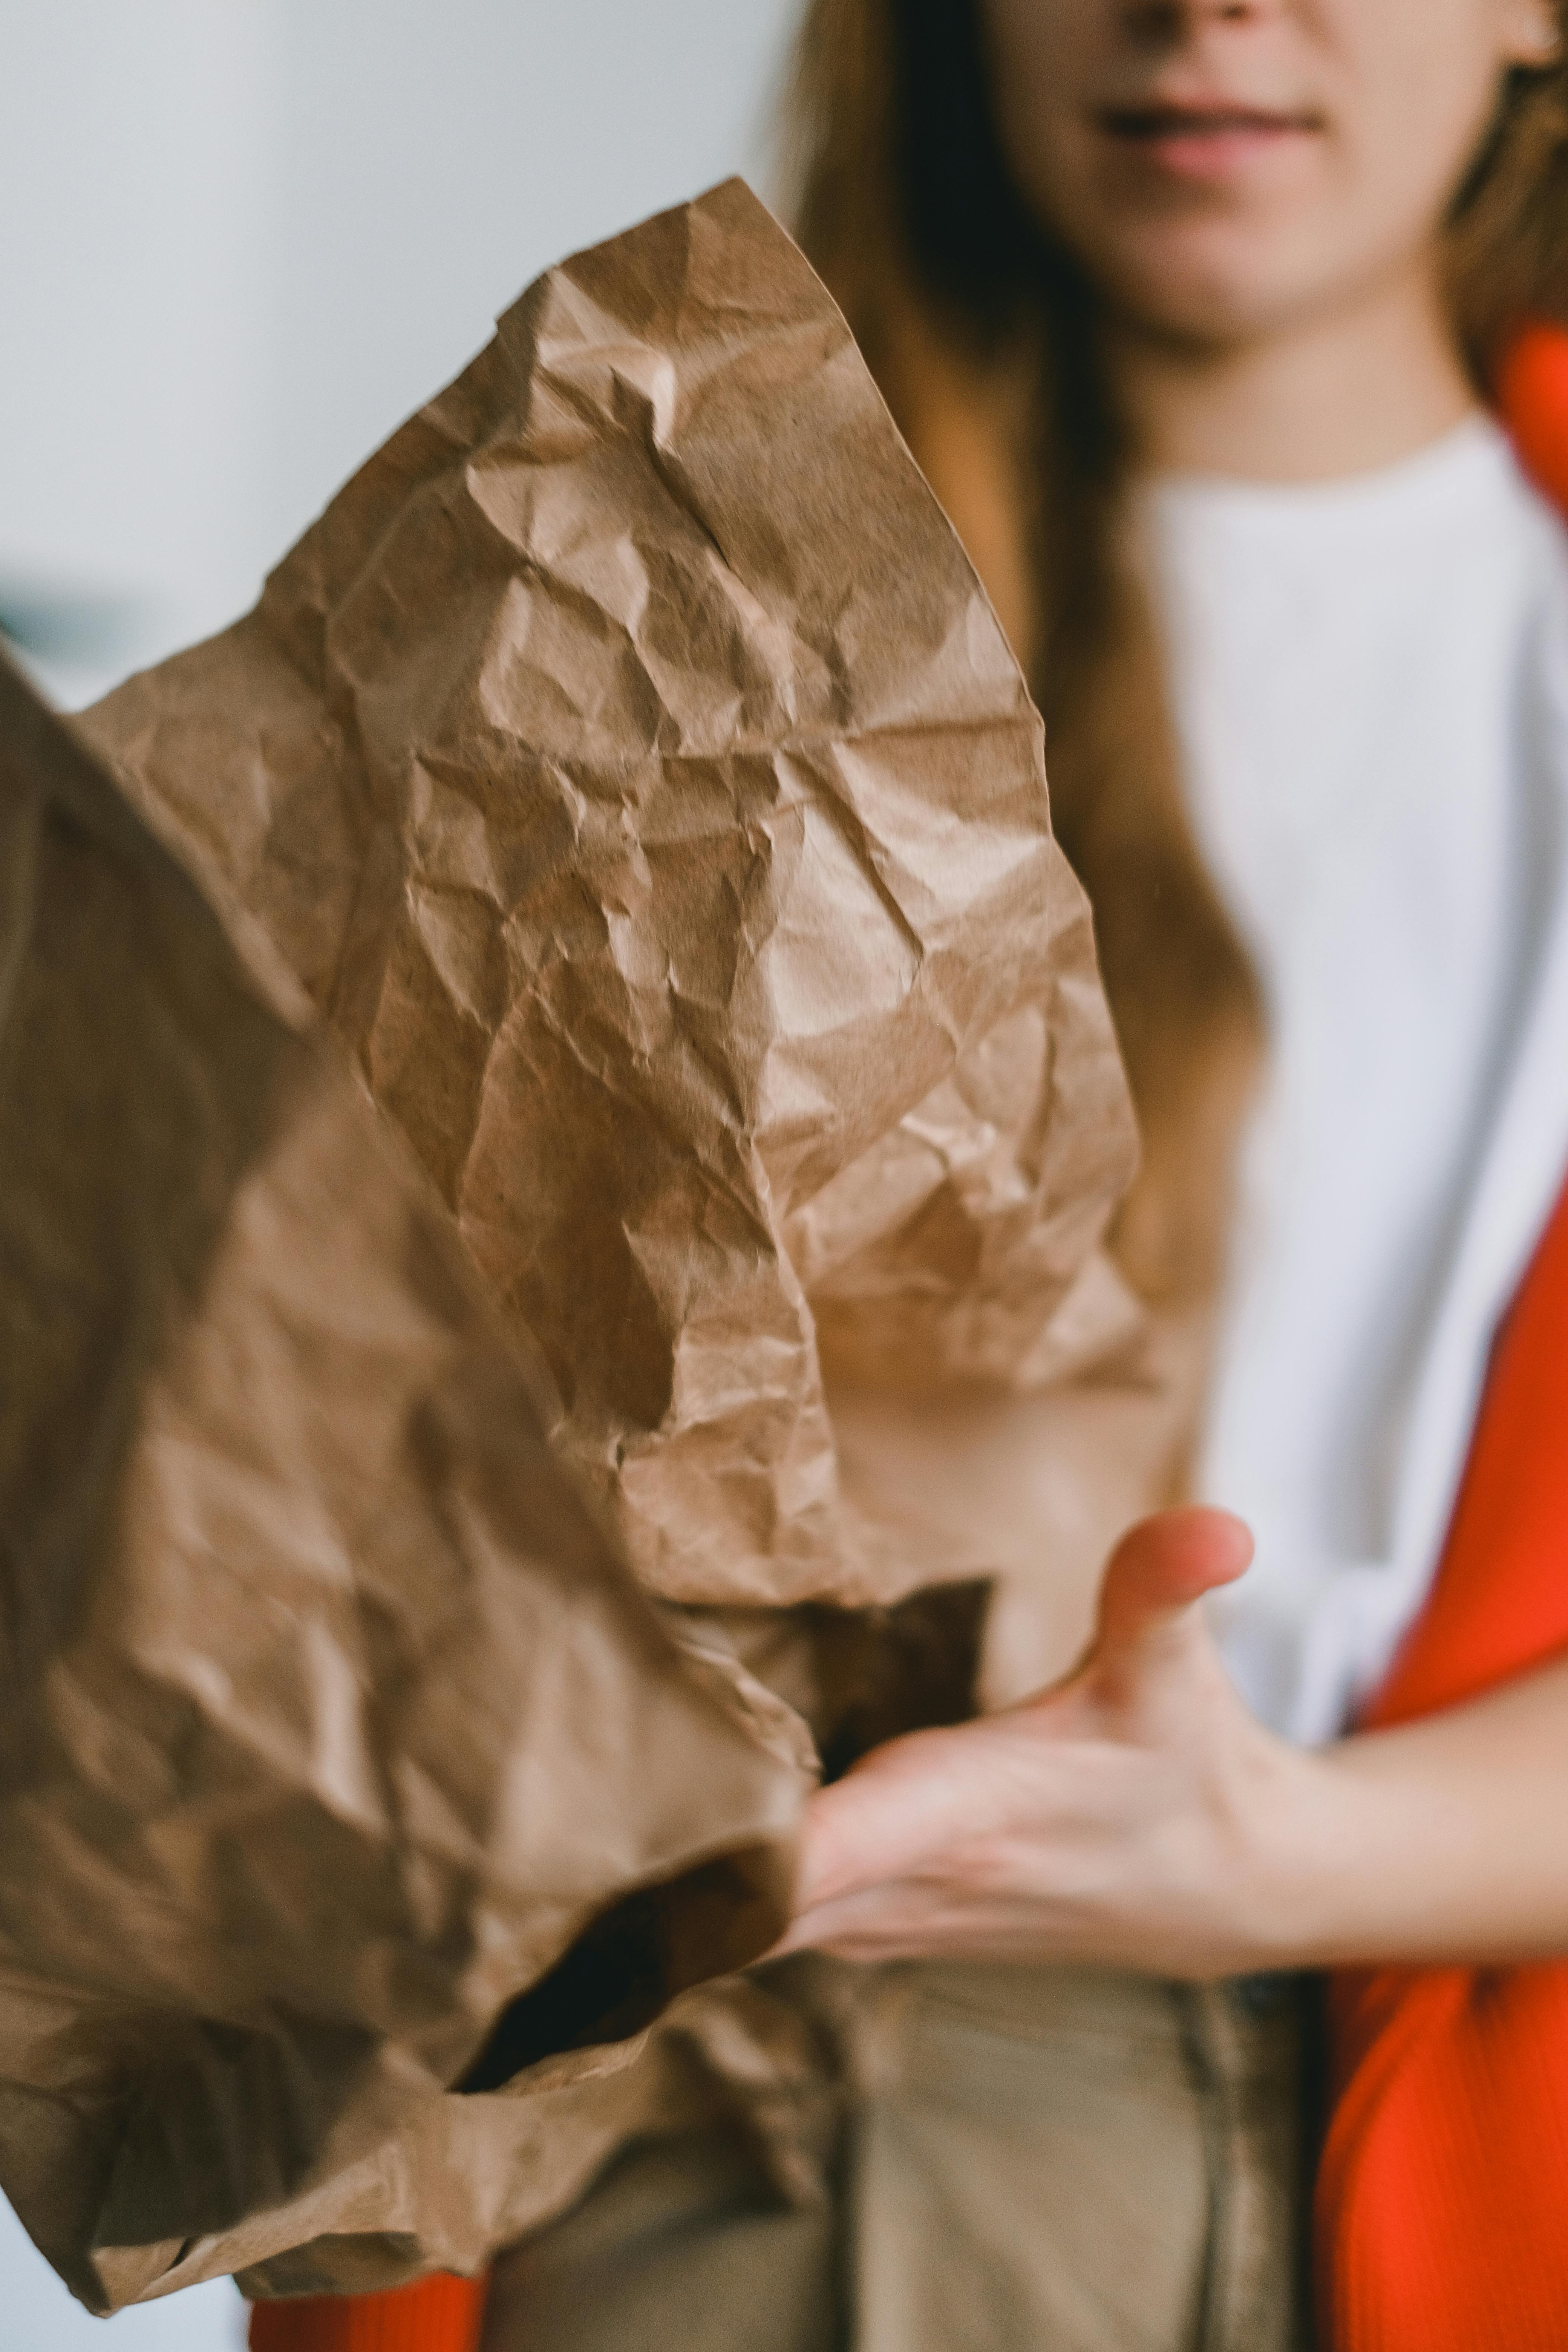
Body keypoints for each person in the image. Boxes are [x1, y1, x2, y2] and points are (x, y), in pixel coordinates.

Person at [262, 3, 1568, 2347]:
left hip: (1465, 2144)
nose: (1209, 9)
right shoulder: (629, 584)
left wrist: (1276, 1859)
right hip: (759, 2107)